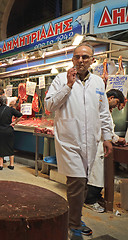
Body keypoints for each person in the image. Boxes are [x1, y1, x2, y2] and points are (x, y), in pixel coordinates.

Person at [45, 43, 113, 240]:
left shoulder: (99, 83)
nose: (81, 60)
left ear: (93, 60)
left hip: (90, 141)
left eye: (85, 57)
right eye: (77, 57)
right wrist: (68, 85)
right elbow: (49, 105)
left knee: (83, 184)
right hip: (69, 140)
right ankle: (74, 224)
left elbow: (103, 113)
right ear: (72, 59)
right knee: (77, 182)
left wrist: (107, 137)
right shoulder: (61, 79)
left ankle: (73, 217)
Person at [84, 89, 126, 213]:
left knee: (98, 175)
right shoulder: (100, 109)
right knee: (95, 175)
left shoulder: (106, 110)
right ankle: (89, 200)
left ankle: (95, 197)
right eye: (117, 102)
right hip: (97, 146)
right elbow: (104, 130)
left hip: (100, 146)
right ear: (110, 98)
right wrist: (118, 139)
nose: (117, 106)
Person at [0, 95, 22, 170]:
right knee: (10, 146)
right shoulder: (10, 109)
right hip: (8, 130)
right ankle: (11, 164)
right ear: (7, 102)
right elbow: (20, 115)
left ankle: (1, 165)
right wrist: (14, 122)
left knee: (0, 146)